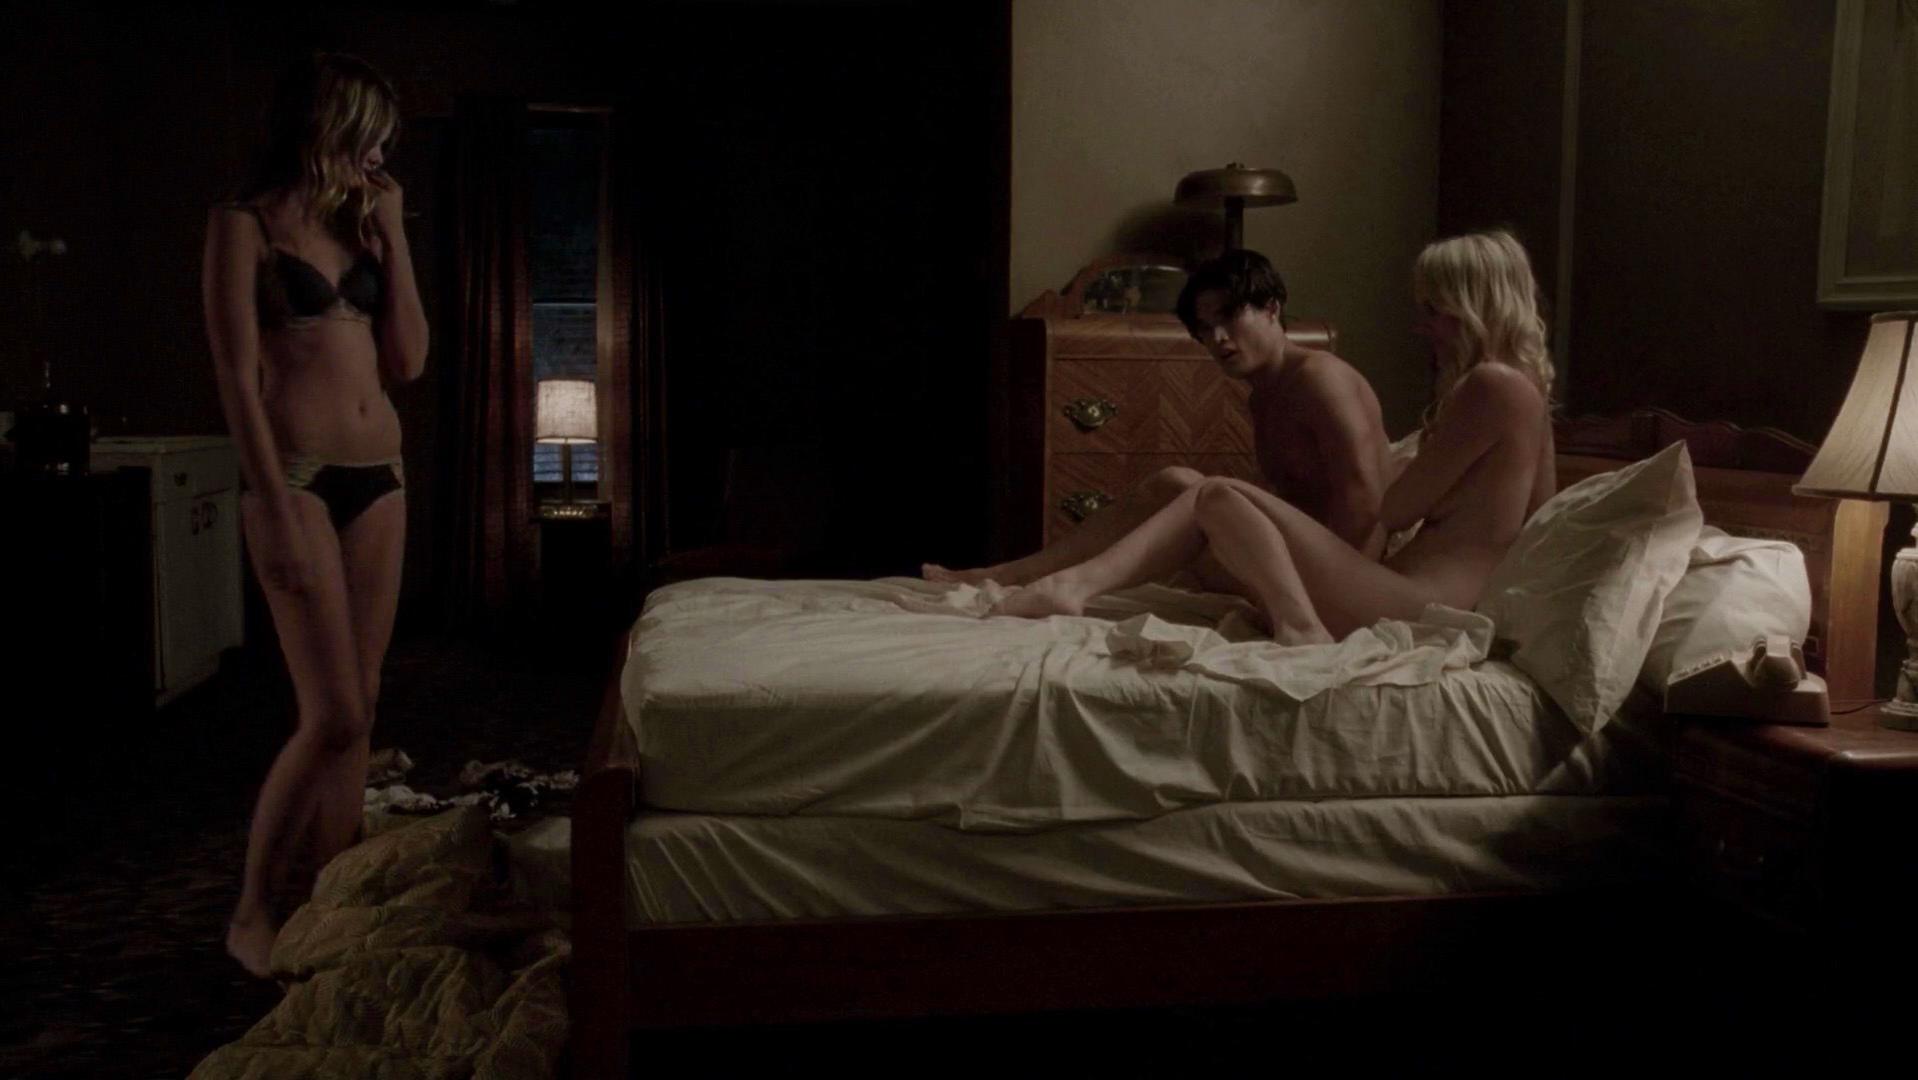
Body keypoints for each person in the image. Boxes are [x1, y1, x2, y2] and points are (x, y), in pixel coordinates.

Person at [989, 229, 1556, 643]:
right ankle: (1044, 580)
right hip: (1422, 592)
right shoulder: (1529, 390)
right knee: (1193, 493)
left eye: (1433, 309)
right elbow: (1543, 512)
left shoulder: (1488, 386)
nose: (1422, 325)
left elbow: (1393, 507)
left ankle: (1297, 625)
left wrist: (1417, 461)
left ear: (1470, 304)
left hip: (1414, 601)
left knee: (1216, 494)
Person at [202, 52, 429, 976]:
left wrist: (395, 238)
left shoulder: (363, 226)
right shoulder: (244, 224)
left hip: (382, 478)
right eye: (371, 135)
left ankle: (333, 898)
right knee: (330, 713)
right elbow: (234, 376)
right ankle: (252, 910)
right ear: (329, 126)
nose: (380, 154)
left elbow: (408, 361)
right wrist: (271, 498)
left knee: (362, 706)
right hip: (294, 477)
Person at [926, 249, 1394, 594]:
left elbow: (1366, 500)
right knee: (1178, 487)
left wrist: (1315, 595)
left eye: (1229, 317)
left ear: (1272, 308)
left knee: (1195, 498)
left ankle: (1043, 582)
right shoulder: (1266, 394)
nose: (1218, 339)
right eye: (1205, 329)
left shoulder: (1320, 377)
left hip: (1341, 575)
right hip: (1303, 563)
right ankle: (1014, 576)